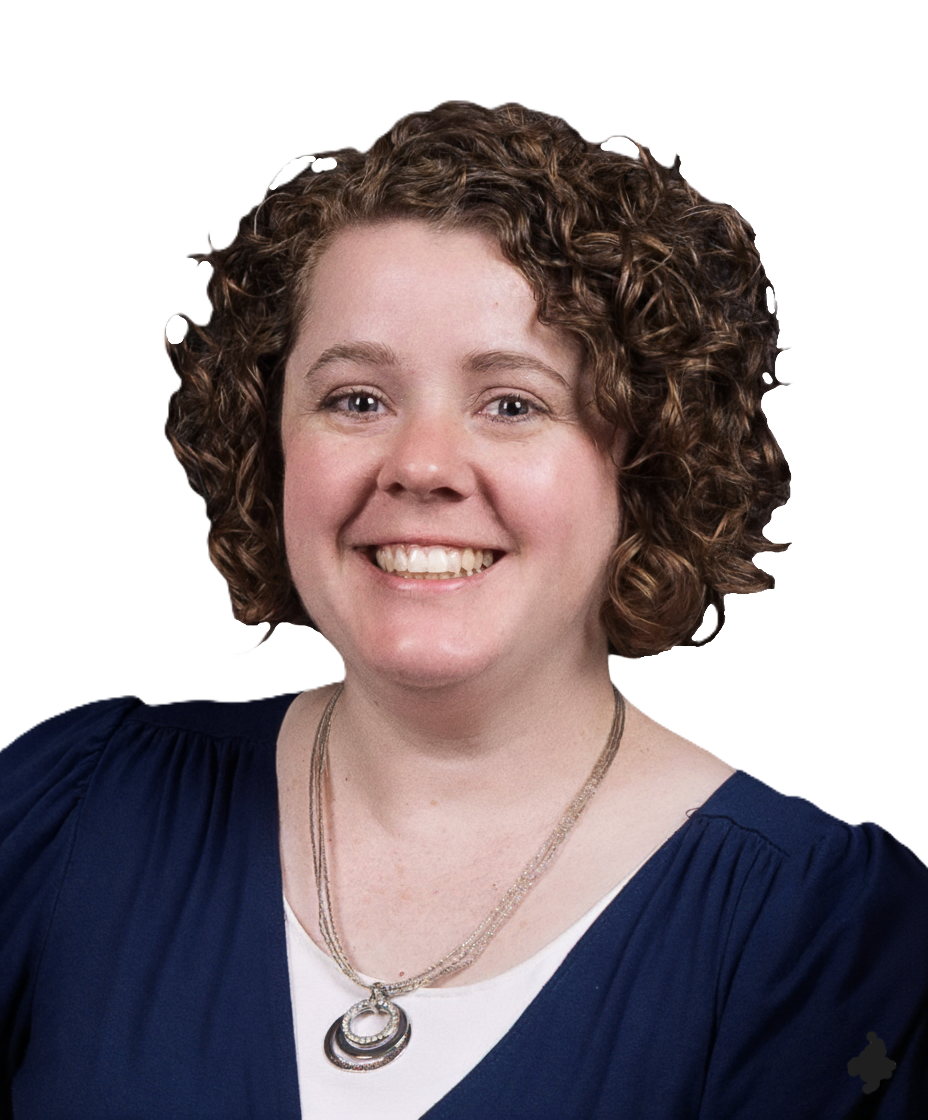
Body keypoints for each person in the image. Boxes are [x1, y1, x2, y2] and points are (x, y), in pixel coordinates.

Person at [1, 100, 925, 1119]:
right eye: (357, 398)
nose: (422, 465)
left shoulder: (822, 937)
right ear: (269, 442)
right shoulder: (69, 812)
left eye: (511, 403)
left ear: (645, 461)